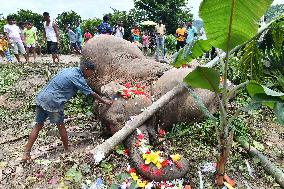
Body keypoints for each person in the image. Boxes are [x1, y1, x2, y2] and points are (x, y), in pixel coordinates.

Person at [22, 60, 113, 162]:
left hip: (41, 98)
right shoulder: (77, 77)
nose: (91, 75)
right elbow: (90, 93)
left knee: (38, 126)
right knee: (61, 126)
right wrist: (104, 101)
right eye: (92, 72)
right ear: (86, 69)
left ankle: (26, 153)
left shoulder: (69, 70)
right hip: (53, 102)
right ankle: (67, 149)